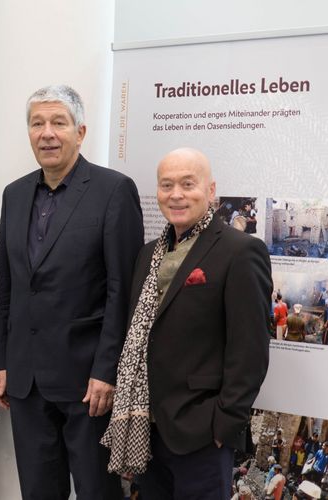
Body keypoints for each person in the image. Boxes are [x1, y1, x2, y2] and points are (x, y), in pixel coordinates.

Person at [0, 84, 144, 499]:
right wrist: (2, 360)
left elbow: (122, 291)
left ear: (81, 131)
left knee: (97, 492)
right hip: (26, 380)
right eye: (37, 123)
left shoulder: (113, 190)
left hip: (87, 382)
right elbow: (8, 287)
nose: (47, 133)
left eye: (59, 122)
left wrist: (107, 370)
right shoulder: (15, 194)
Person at [101, 148, 272, 499]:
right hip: (147, 428)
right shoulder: (148, 254)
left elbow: (250, 351)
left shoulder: (240, 252)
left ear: (210, 191)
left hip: (201, 431)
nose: (176, 194)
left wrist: (222, 425)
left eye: (187, 184)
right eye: (166, 185)